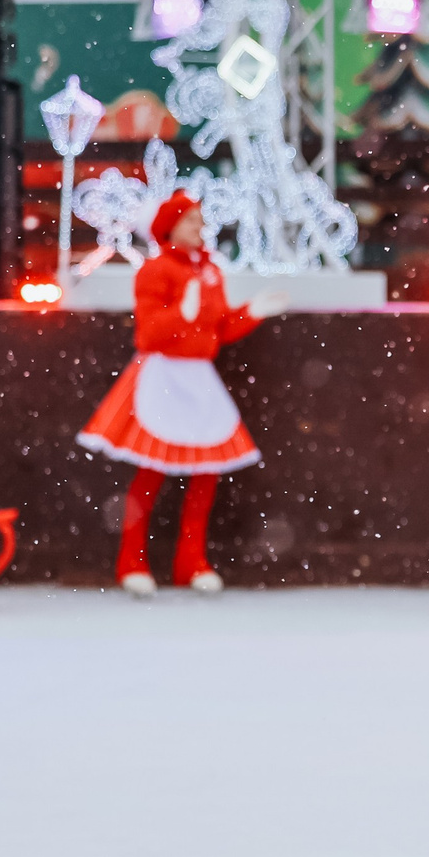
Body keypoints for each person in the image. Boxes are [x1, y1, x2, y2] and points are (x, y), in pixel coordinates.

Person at [76, 192, 283, 596]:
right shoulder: (156, 270)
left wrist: (252, 312)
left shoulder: (210, 271)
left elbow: (219, 329)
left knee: (206, 474)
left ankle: (192, 561)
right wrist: (179, 315)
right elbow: (149, 333)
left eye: (199, 220)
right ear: (170, 226)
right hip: (164, 377)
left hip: (199, 378)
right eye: (191, 220)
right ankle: (131, 561)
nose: (199, 227)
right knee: (151, 472)